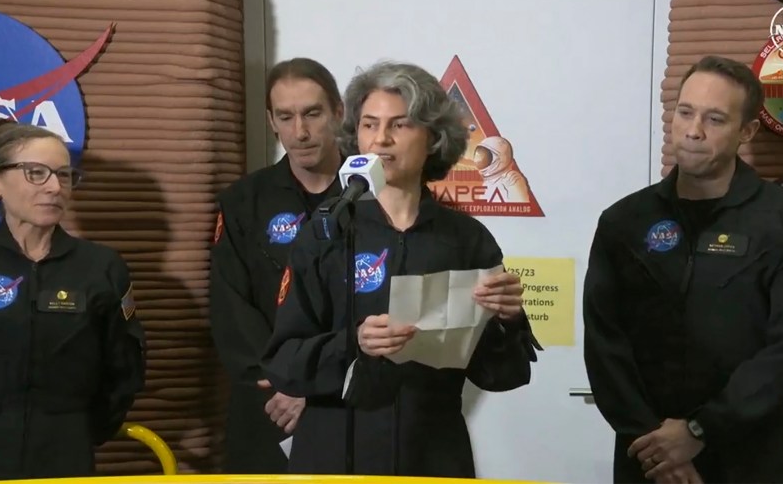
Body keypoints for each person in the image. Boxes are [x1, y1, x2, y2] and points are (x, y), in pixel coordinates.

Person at [259, 60, 541, 477]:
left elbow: (504, 374)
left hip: (431, 452)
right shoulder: (325, 232)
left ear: (432, 137)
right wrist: (354, 343)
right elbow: (283, 361)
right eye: (369, 125)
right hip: (335, 451)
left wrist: (507, 319)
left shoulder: (466, 240)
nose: (381, 140)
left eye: (400, 125)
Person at [582, 54, 783, 484]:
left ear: (747, 131)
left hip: (746, 456)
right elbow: (604, 341)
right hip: (646, 457)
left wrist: (701, 430)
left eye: (715, 119)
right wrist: (656, 445)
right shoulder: (623, 221)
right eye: (685, 112)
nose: (693, 130)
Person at [0, 118, 146, 480]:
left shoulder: (102, 267)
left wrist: (81, 428)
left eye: (64, 175)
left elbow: (125, 364)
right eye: (36, 173)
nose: (55, 187)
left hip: (66, 450)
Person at [208, 57, 345, 473]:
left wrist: (323, 385)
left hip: (351, 400)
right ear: (271, 120)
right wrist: (286, 383)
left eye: (312, 114)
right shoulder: (244, 201)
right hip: (269, 402)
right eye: (285, 117)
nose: (299, 132)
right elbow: (230, 305)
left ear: (338, 112)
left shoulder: (379, 196)